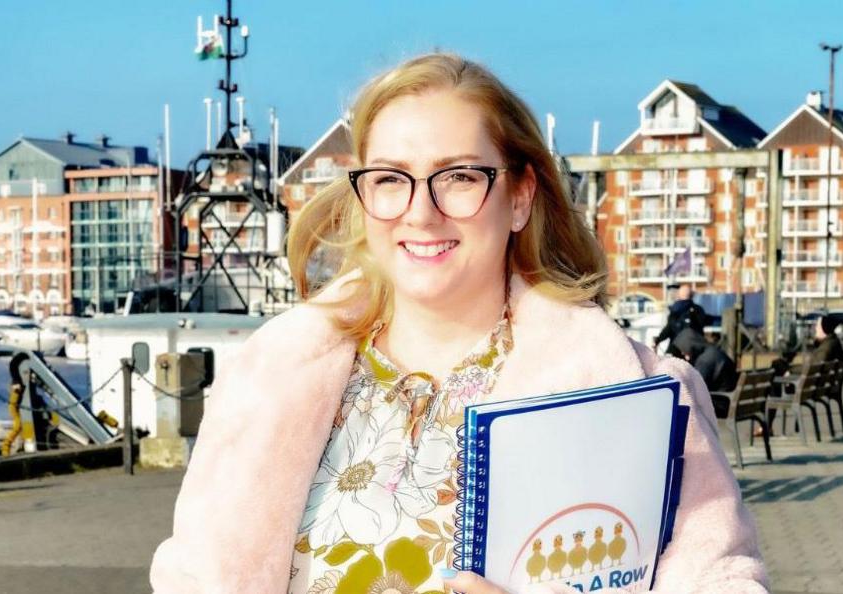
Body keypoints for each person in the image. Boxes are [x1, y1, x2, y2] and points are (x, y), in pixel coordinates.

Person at [149, 53, 767, 593]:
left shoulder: (638, 395)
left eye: (461, 177)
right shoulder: (268, 381)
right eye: (391, 179)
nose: (421, 213)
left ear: (521, 197)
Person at [671, 327, 739, 418]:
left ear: (691, 346)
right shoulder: (715, 351)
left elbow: (695, 389)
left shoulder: (704, 361)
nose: (683, 354)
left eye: (684, 351)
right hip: (729, 400)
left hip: (719, 404)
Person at [653, 284, 707, 357]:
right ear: (692, 295)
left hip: (675, 347)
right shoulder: (698, 310)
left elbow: (668, 329)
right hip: (692, 350)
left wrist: (658, 340)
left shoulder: (674, 310)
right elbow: (702, 325)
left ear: (679, 295)